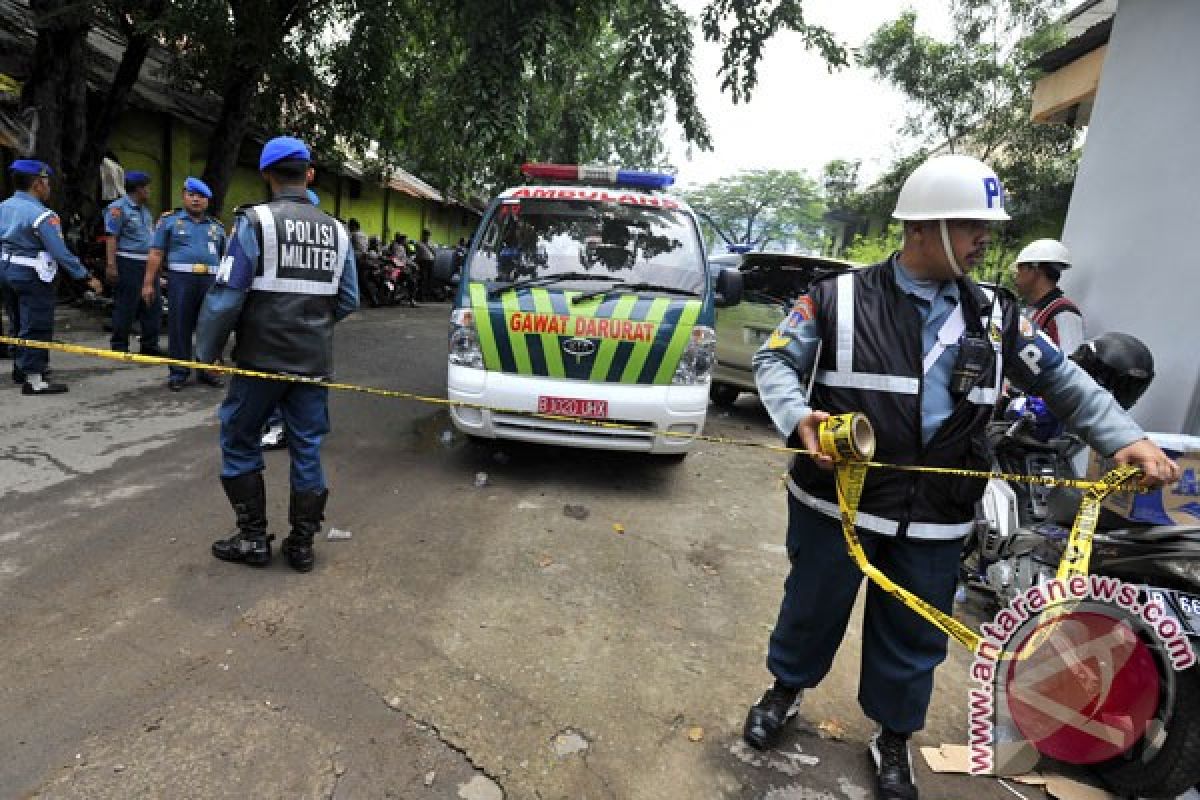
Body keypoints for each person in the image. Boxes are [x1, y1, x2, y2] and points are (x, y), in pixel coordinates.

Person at [743, 154, 1180, 800]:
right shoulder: (835, 300)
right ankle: (784, 693)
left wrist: (1129, 439)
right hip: (834, 505)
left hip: (937, 514)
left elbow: (1065, 384)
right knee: (810, 609)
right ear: (922, 227)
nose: (984, 241)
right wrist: (795, 417)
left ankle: (892, 739)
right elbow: (775, 360)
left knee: (913, 637)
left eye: (985, 228)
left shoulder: (998, 317)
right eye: (971, 225)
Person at [195, 136, 358, 573]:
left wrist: (205, 351)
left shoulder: (255, 222)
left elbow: (227, 297)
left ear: (266, 174)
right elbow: (348, 299)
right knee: (307, 447)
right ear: (309, 174)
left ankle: (252, 539)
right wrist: (312, 328)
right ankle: (301, 545)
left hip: (260, 362)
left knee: (239, 437)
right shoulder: (338, 231)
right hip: (312, 364)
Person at [0, 159, 103, 393]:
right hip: (33, 275)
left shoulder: (3, 207)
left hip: (6, 271)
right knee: (36, 325)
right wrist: (85, 277)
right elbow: (61, 253)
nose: (49, 187)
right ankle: (35, 380)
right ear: (38, 184)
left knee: (17, 321)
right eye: (47, 182)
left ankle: (21, 368)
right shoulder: (43, 215)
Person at [141, 177, 227, 391]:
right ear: (184, 196)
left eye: (201, 196)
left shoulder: (217, 227)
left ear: (207, 201)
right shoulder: (169, 222)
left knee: (211, 328)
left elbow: (227, 258)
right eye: (192, 195)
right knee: (180, 327)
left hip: (210, 281)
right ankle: (179, 373)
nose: (196, 200)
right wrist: (148, 283)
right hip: (181, 280)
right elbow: (156, 252)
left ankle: (209, 370)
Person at [259, 187, 322, 451]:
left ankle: (277, 426)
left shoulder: (265, 228)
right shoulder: (333, 234)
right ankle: (296, 431)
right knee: (304, 393)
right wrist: (323, 320)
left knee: (273, 380)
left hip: (272, 330)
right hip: (312, 335)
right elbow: (349, 298)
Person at [105, 170, 162, 355]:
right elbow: (111, 237)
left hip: (148, 263)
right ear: (139, 189)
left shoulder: (145, 210)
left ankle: (150, 346)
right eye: (147, 188)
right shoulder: (118, 208)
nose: (149, 191)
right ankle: (120, 346)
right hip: (128, 261)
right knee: (126, 305)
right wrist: (111, 265)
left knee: (152, 305)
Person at [1012, 238, 1084, 355]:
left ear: (1035, 270)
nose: (1016, 275)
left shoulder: (1064, 313)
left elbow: (1071, 363)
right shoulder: (1030, 310)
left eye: (1020, 268)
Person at [414, 228, 435, 300]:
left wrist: (430, 247)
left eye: (428, 235)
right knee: (423, 278)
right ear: (423, 235)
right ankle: (421, 295)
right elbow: (417, 254)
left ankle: (428, 295)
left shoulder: (431, 243)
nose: (427, 237)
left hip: (430, 262)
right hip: (423, 262)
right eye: (426, 235)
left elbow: (433, 252)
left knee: (429, 279)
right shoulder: (418, 243)